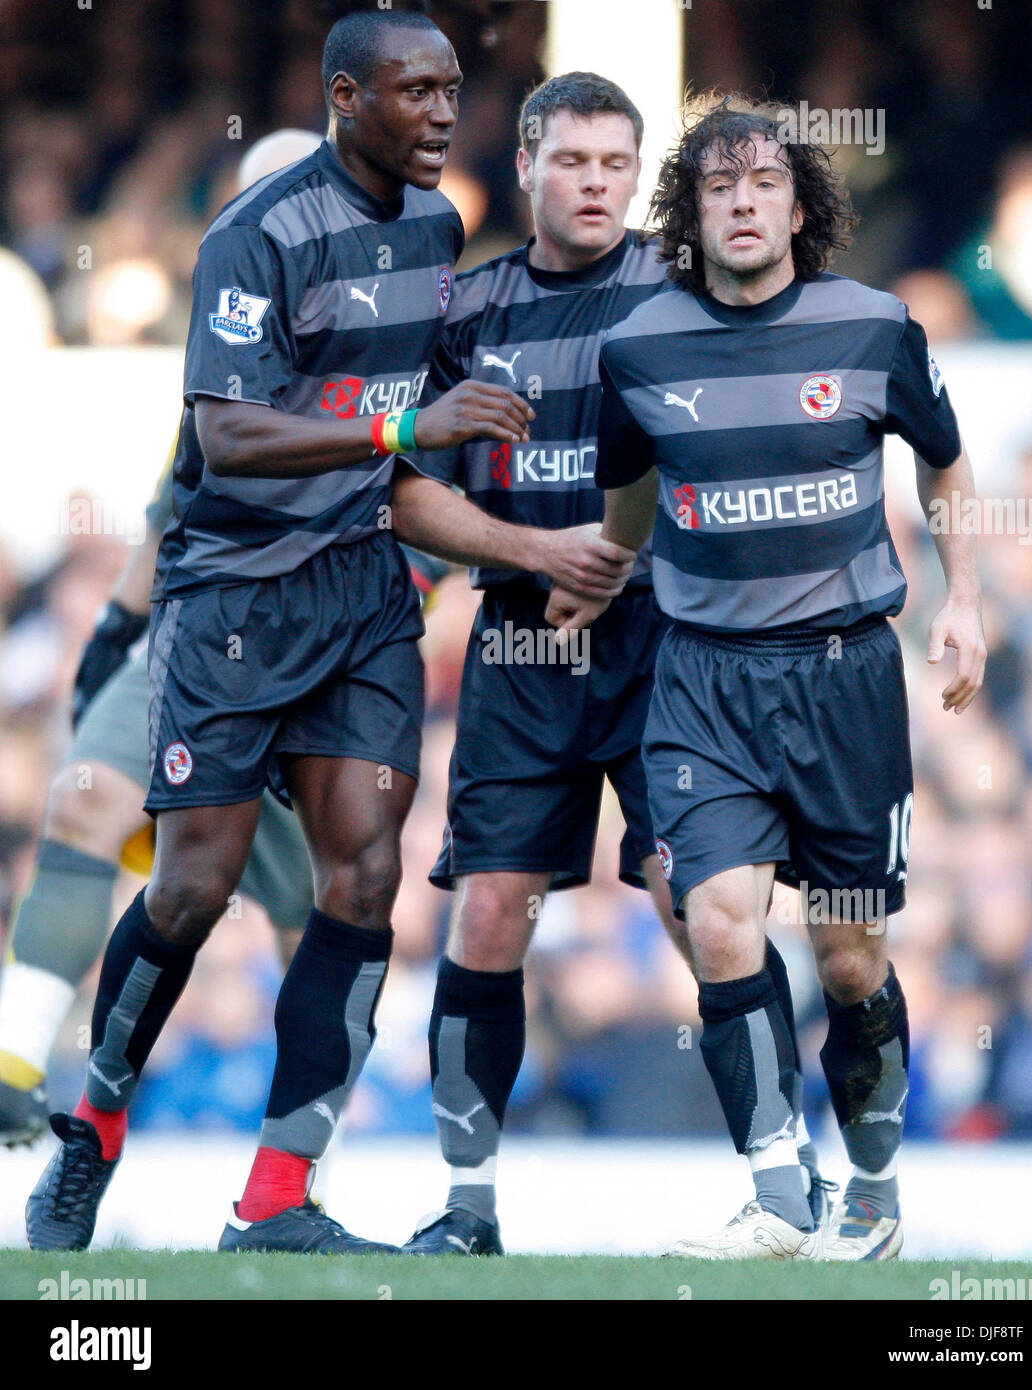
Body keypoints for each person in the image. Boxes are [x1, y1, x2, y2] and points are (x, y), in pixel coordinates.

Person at [26, 9, 620, 1257]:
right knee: (186, 886)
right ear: (346, 96)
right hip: (237, 594)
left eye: (454, 88)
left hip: (361, 593)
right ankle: (93, 1129)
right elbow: (231, 438)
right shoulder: (255, 236)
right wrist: (408, 431)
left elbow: (430, 414)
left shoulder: (438, 225)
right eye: (417, 92)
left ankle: (275, 1199)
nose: (446, 112)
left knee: (366, 881)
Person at [388, 74, 831, 1257]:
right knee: (487, 909)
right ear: (526, 162)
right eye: (573, 161)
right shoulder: (462, 308)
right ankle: (468, 1209)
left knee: (702, 905)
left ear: (639, 177)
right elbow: (397, 490)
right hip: (520, 641)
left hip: (668, 646)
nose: (594, 184)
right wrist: (538, 549)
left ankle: (786, 1185)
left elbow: (756, 440)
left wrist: (627, 560)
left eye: (616, 165)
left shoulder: (683, 295)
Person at [548, 95, 987, 1261]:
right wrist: (605, 568)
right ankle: (776, 1192)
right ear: (691, 213)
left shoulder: (873, 327)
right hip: (703, 680)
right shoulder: (637, 347)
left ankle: (874, 1187)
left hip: (845, 684)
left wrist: (967, 603)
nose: (741, 204)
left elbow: (944, 467)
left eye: (761, 185)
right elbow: (630, 490)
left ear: (799, 205)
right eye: (717, 187)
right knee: (717, 915)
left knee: (849, 959)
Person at [0, 133, 326, 1152]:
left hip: (321, 658)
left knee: (311, 920)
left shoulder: (390, 335)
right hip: (192, 634)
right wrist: (118, 619)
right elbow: (173, 501)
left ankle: (304, 1169)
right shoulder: (221, 344)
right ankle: (12, 1069)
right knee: (84, 798)